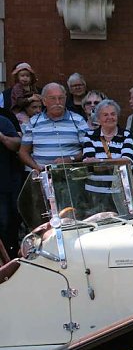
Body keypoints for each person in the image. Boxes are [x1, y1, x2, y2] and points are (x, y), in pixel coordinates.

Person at [19, 83, 88, 171]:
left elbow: (89, 149)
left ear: (65, 99)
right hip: (43, 176)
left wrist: (71, 159)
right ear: (44, 101)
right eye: (53, 98)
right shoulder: (33, 122)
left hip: (71, 175)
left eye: (61, 98)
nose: (58, 102)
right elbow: (23, 152)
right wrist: (37, 167)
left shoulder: (78, 120)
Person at [81, 100, 133, 212]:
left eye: (113, 114)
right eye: (105, 115)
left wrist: (99, 161)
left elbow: (127, 161)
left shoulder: (126, 135)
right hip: (94, 192)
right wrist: (115, 162)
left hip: (120, 192)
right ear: (98, 119)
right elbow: (89, 164)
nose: (110, 117)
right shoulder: (90, 136)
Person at [0, 111, 22, 257]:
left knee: (5, 226)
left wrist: (1, 137)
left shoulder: (2, 120)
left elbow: (17, 145)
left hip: (3, 186)